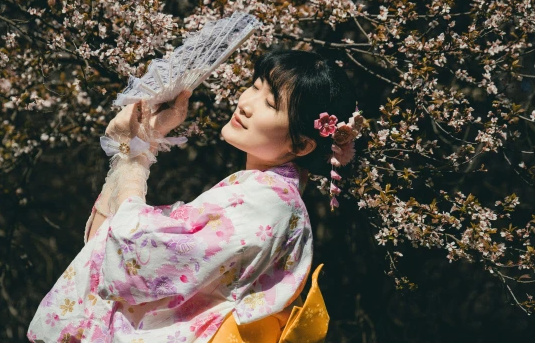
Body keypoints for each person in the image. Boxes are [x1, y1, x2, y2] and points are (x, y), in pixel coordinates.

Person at [27, 49, 361, 342]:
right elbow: (108, 243)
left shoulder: (267, 204)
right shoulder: (261, 195)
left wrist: (134, 154)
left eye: (270, 102)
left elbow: (134, 247)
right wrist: (140, 145)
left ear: (302, 144)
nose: (246, 104)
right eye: (254, 88)